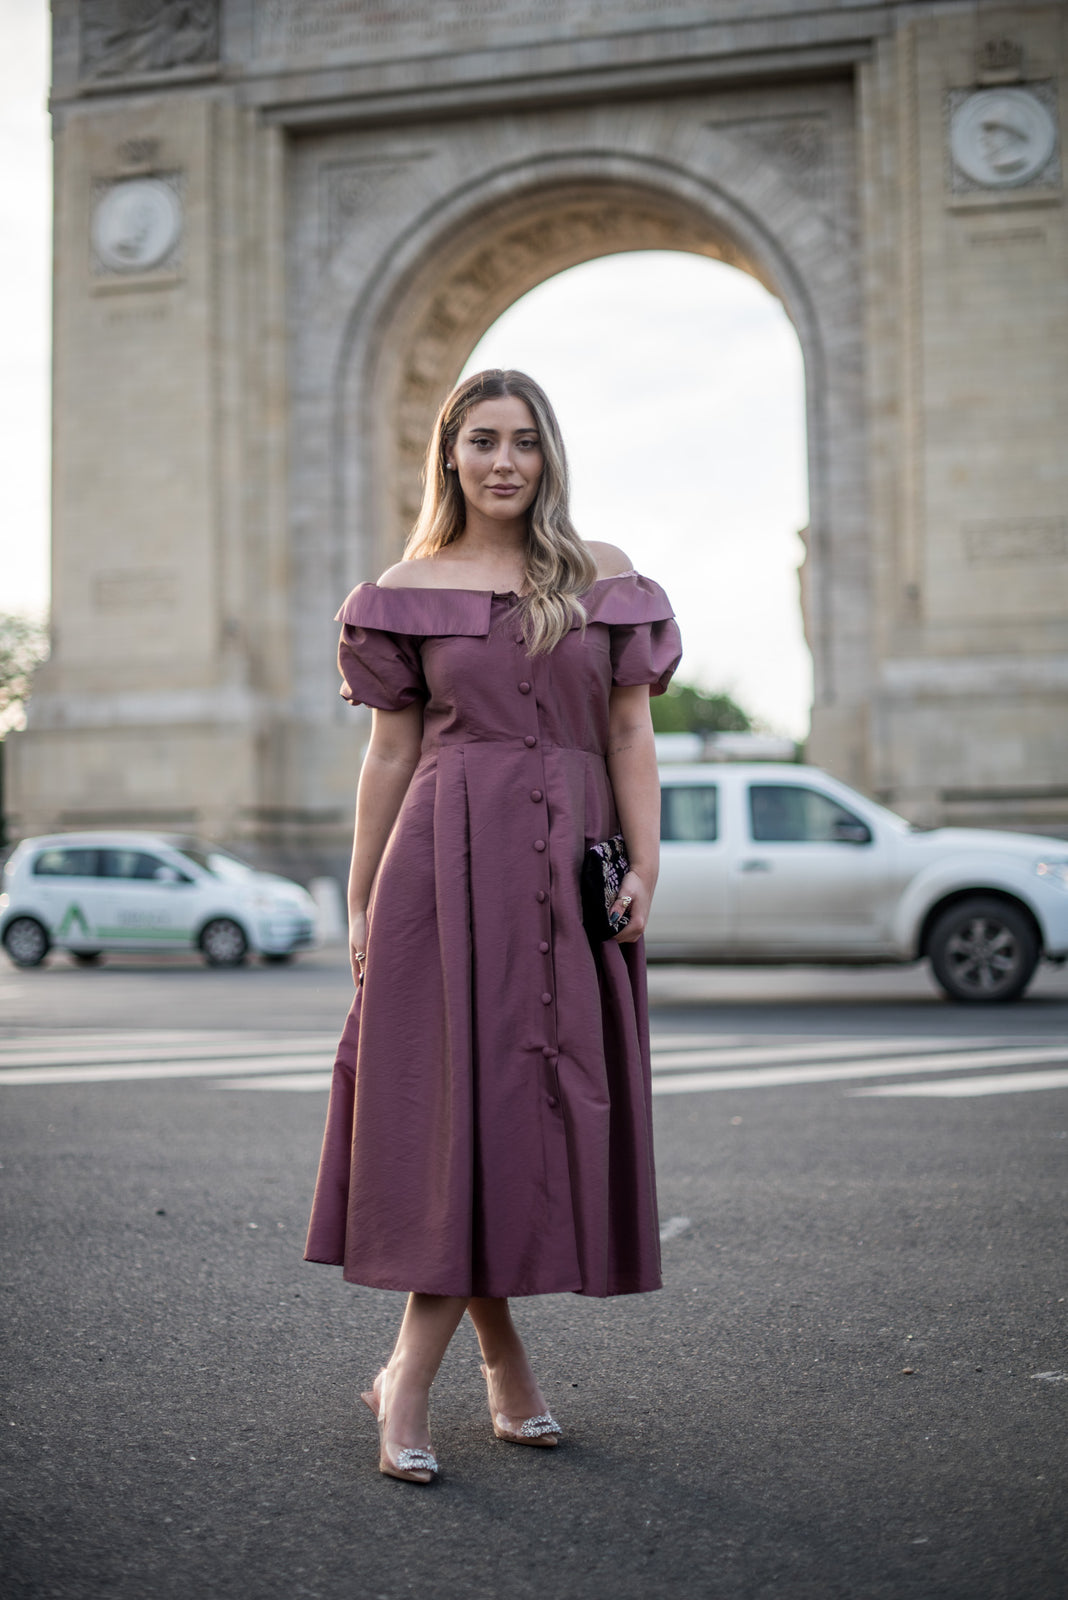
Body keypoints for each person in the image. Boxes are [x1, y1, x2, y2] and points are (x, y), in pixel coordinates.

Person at [304, 369, 682, 1484]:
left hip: (568, 872)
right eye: (482, 441)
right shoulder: (403, 589)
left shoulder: (604, 577)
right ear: (451, 456)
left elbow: (628, 734)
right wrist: (364, 890)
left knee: (519, 1117)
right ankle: (426, 1377)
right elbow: (390, 752)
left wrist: (649, 864)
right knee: (455, 1118)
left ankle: (471, 1368)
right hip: (441, 868)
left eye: (523, 441)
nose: (504, 460)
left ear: (549, 453)